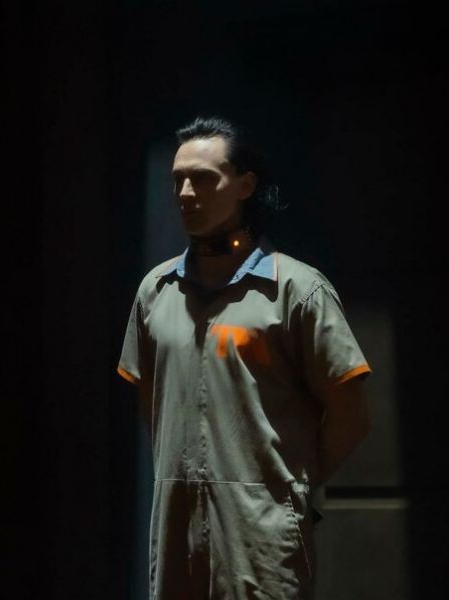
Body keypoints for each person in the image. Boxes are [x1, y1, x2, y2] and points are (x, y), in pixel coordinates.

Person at [117, 116, 371, 599]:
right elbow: (151, 402)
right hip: (177, 535)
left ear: (245, 186)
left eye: (203, 179)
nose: (186, 193)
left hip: (261, 537)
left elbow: (351, 415)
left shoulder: (295, 290)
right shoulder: (156, 291)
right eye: (178, 180)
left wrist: (287, 490)